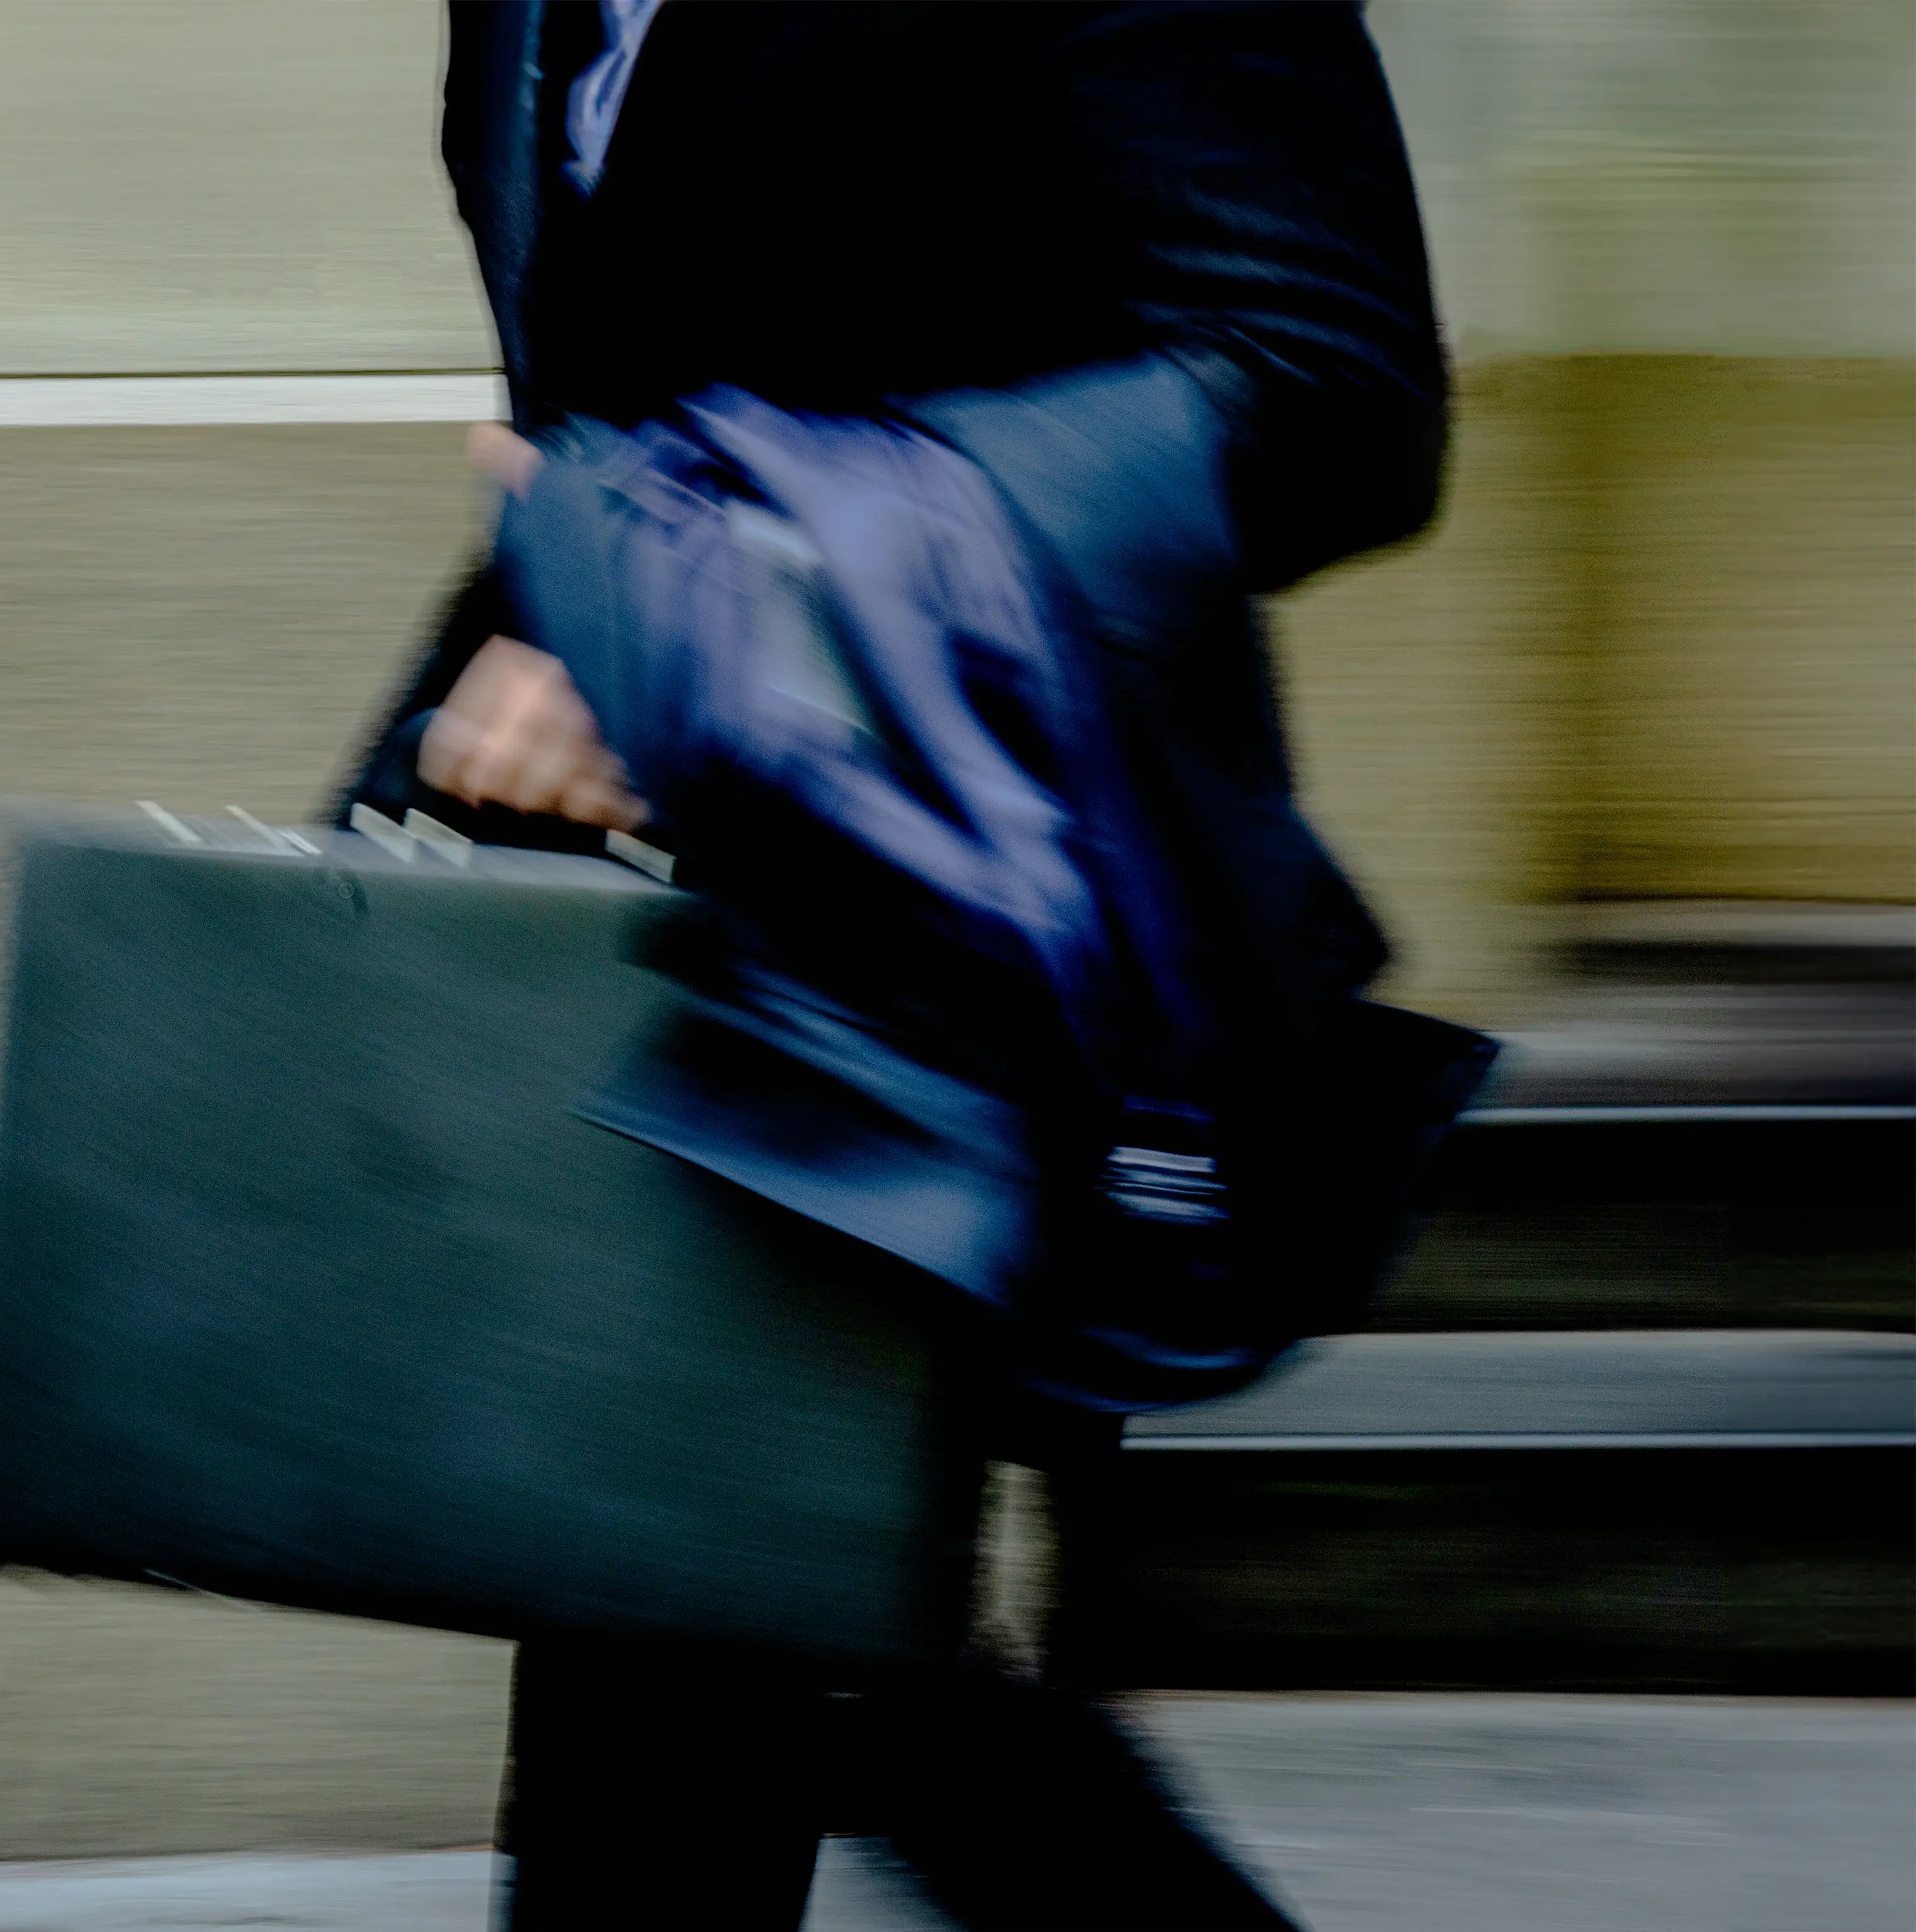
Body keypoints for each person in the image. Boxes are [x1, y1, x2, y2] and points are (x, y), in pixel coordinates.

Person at [333, 5, 1450, 1926]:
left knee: (735, 1684)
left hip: (970, 965)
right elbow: (609, 422)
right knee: (760, 1677)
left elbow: (1325, 391)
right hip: (639, 975)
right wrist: (375, 853)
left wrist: (703, 639)